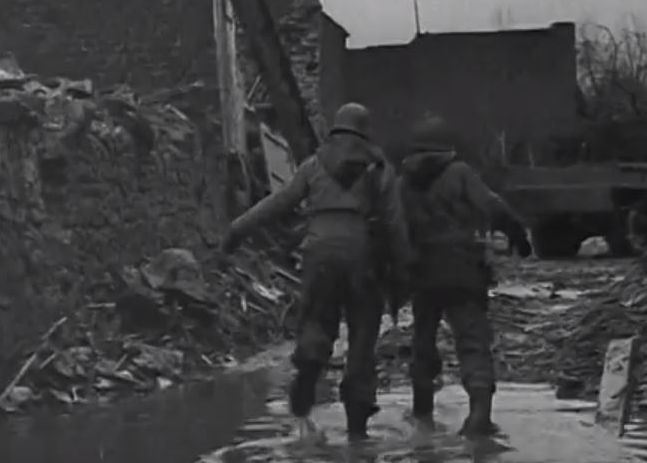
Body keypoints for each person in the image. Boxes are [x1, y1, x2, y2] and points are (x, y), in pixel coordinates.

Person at [219, 103, 411, 441]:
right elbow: (395, 226)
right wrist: (403, 273)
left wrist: (237, 229)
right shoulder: (380, 168)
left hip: (320, 254)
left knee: (317, 326)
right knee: (363, 339)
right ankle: (357, 436)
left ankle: (306, 384)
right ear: (365, 131)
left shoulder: (315, 164)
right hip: (363, 256)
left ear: (335, 129)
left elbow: (280, 201)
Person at [398, 114, 532, 437]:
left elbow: (393, 227)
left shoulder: (402, 182)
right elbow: (491, 205)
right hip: (462, 269)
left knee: (423, 341)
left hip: (422, 272)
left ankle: (422, 415)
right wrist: (518, 235)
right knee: (472, 341)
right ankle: (479, 416)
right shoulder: (458, 172)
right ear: (448, 146)